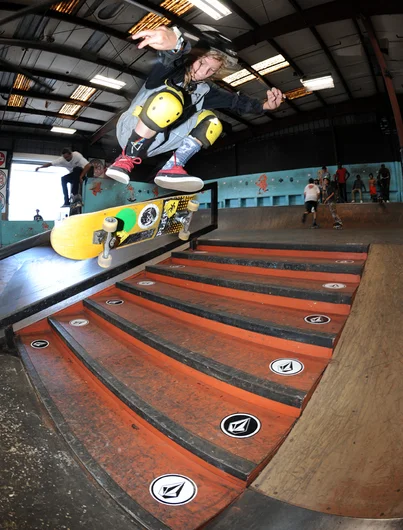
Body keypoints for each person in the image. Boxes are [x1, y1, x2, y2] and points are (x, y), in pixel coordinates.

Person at [105, 25, 283, 192]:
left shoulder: (205, 90)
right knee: (169, 101)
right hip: (131, 130)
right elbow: (170, 59)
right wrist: (175, 46)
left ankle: (172, 166)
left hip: (160, 142)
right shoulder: (171, 72)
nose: (204, 72)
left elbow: (235, 102)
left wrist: (264, 106)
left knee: (212, 121)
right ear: (194, 57)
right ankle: (125, 158)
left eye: (212, 70)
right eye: (202, 63)